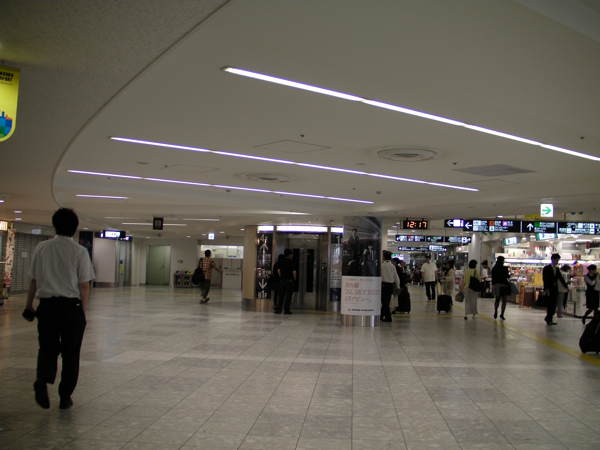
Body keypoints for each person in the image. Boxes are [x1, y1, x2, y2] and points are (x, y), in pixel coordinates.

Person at [25, 208, 95, 410]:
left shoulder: (42, 248)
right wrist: (82, 312)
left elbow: (34, 280)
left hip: (47, 307)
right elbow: (84, 285)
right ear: (75, 228)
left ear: (55, 225)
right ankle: (65, 396)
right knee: (70, 354)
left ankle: (43, 379)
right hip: (71, 308)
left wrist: (29, 305)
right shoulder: (79, 251)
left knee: (47, 348)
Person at [542, 253, 567, 325]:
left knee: (554, 304)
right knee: (550, 304)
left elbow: (560, 278)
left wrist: (566, 286)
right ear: (553, 259)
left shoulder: (557, 269)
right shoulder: (547, 268)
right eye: (557, 260)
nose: (558, 262)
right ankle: (549, 318)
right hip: (549, 288)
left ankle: (549, 318)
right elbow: (545, 278)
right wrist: (546, 288)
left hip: (555, 289)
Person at [380, 250, 400, 322]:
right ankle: (381, 316)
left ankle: (388, 318)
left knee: (384, 302)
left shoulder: (382, 266)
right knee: (387, 301)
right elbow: (396, 277)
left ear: (384, 257)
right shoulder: (393, 266)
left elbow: (380, 276)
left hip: (384, 285)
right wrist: (398, 286)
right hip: (390, 286)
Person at [276, 248, 296, 314]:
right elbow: (294, 272)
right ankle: (286, 310)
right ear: (289, 254)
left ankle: (279, 309)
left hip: (282, 280)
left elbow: (278, 271)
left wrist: (281, 276)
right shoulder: (292, 262)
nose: (292, 255)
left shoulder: (281, 261)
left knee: (281, 295)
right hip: (290, 280)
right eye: (291, 254)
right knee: (288, 296)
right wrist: (294, 279)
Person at [491, 256, 510, 320]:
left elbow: (493, 277)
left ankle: (496, 310)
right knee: (504, 301)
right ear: (502, 261)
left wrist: (493, 284)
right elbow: (507, 276)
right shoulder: (505, 268)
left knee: (497, 300)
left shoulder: (494, 268)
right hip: (504, 285)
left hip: (497, 285)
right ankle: (502, 314)